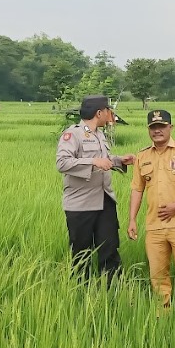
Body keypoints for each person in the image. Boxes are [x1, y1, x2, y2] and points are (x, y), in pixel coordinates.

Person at [127, 110, 175, 309]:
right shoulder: (142, 156)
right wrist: (132, 219)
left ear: (171, 127)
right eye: (153, 128)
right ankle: (164, 314)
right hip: (154, 226)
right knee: (158, 274)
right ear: (148, 130)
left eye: (161, 126)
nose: (157, 131)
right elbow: (137, 189)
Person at [56, 94, 134, 283]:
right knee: (81, 253)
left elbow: (103, 161)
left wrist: (119, 160)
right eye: (108, 110)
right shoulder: (72, 134)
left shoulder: (100, 135)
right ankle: (81, 292)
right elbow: (62, 162)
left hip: (104, 200)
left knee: (110, 248)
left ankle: (113, 289)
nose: (110, 114)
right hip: (81, 205)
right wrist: (93, 161)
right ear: (100, 112)